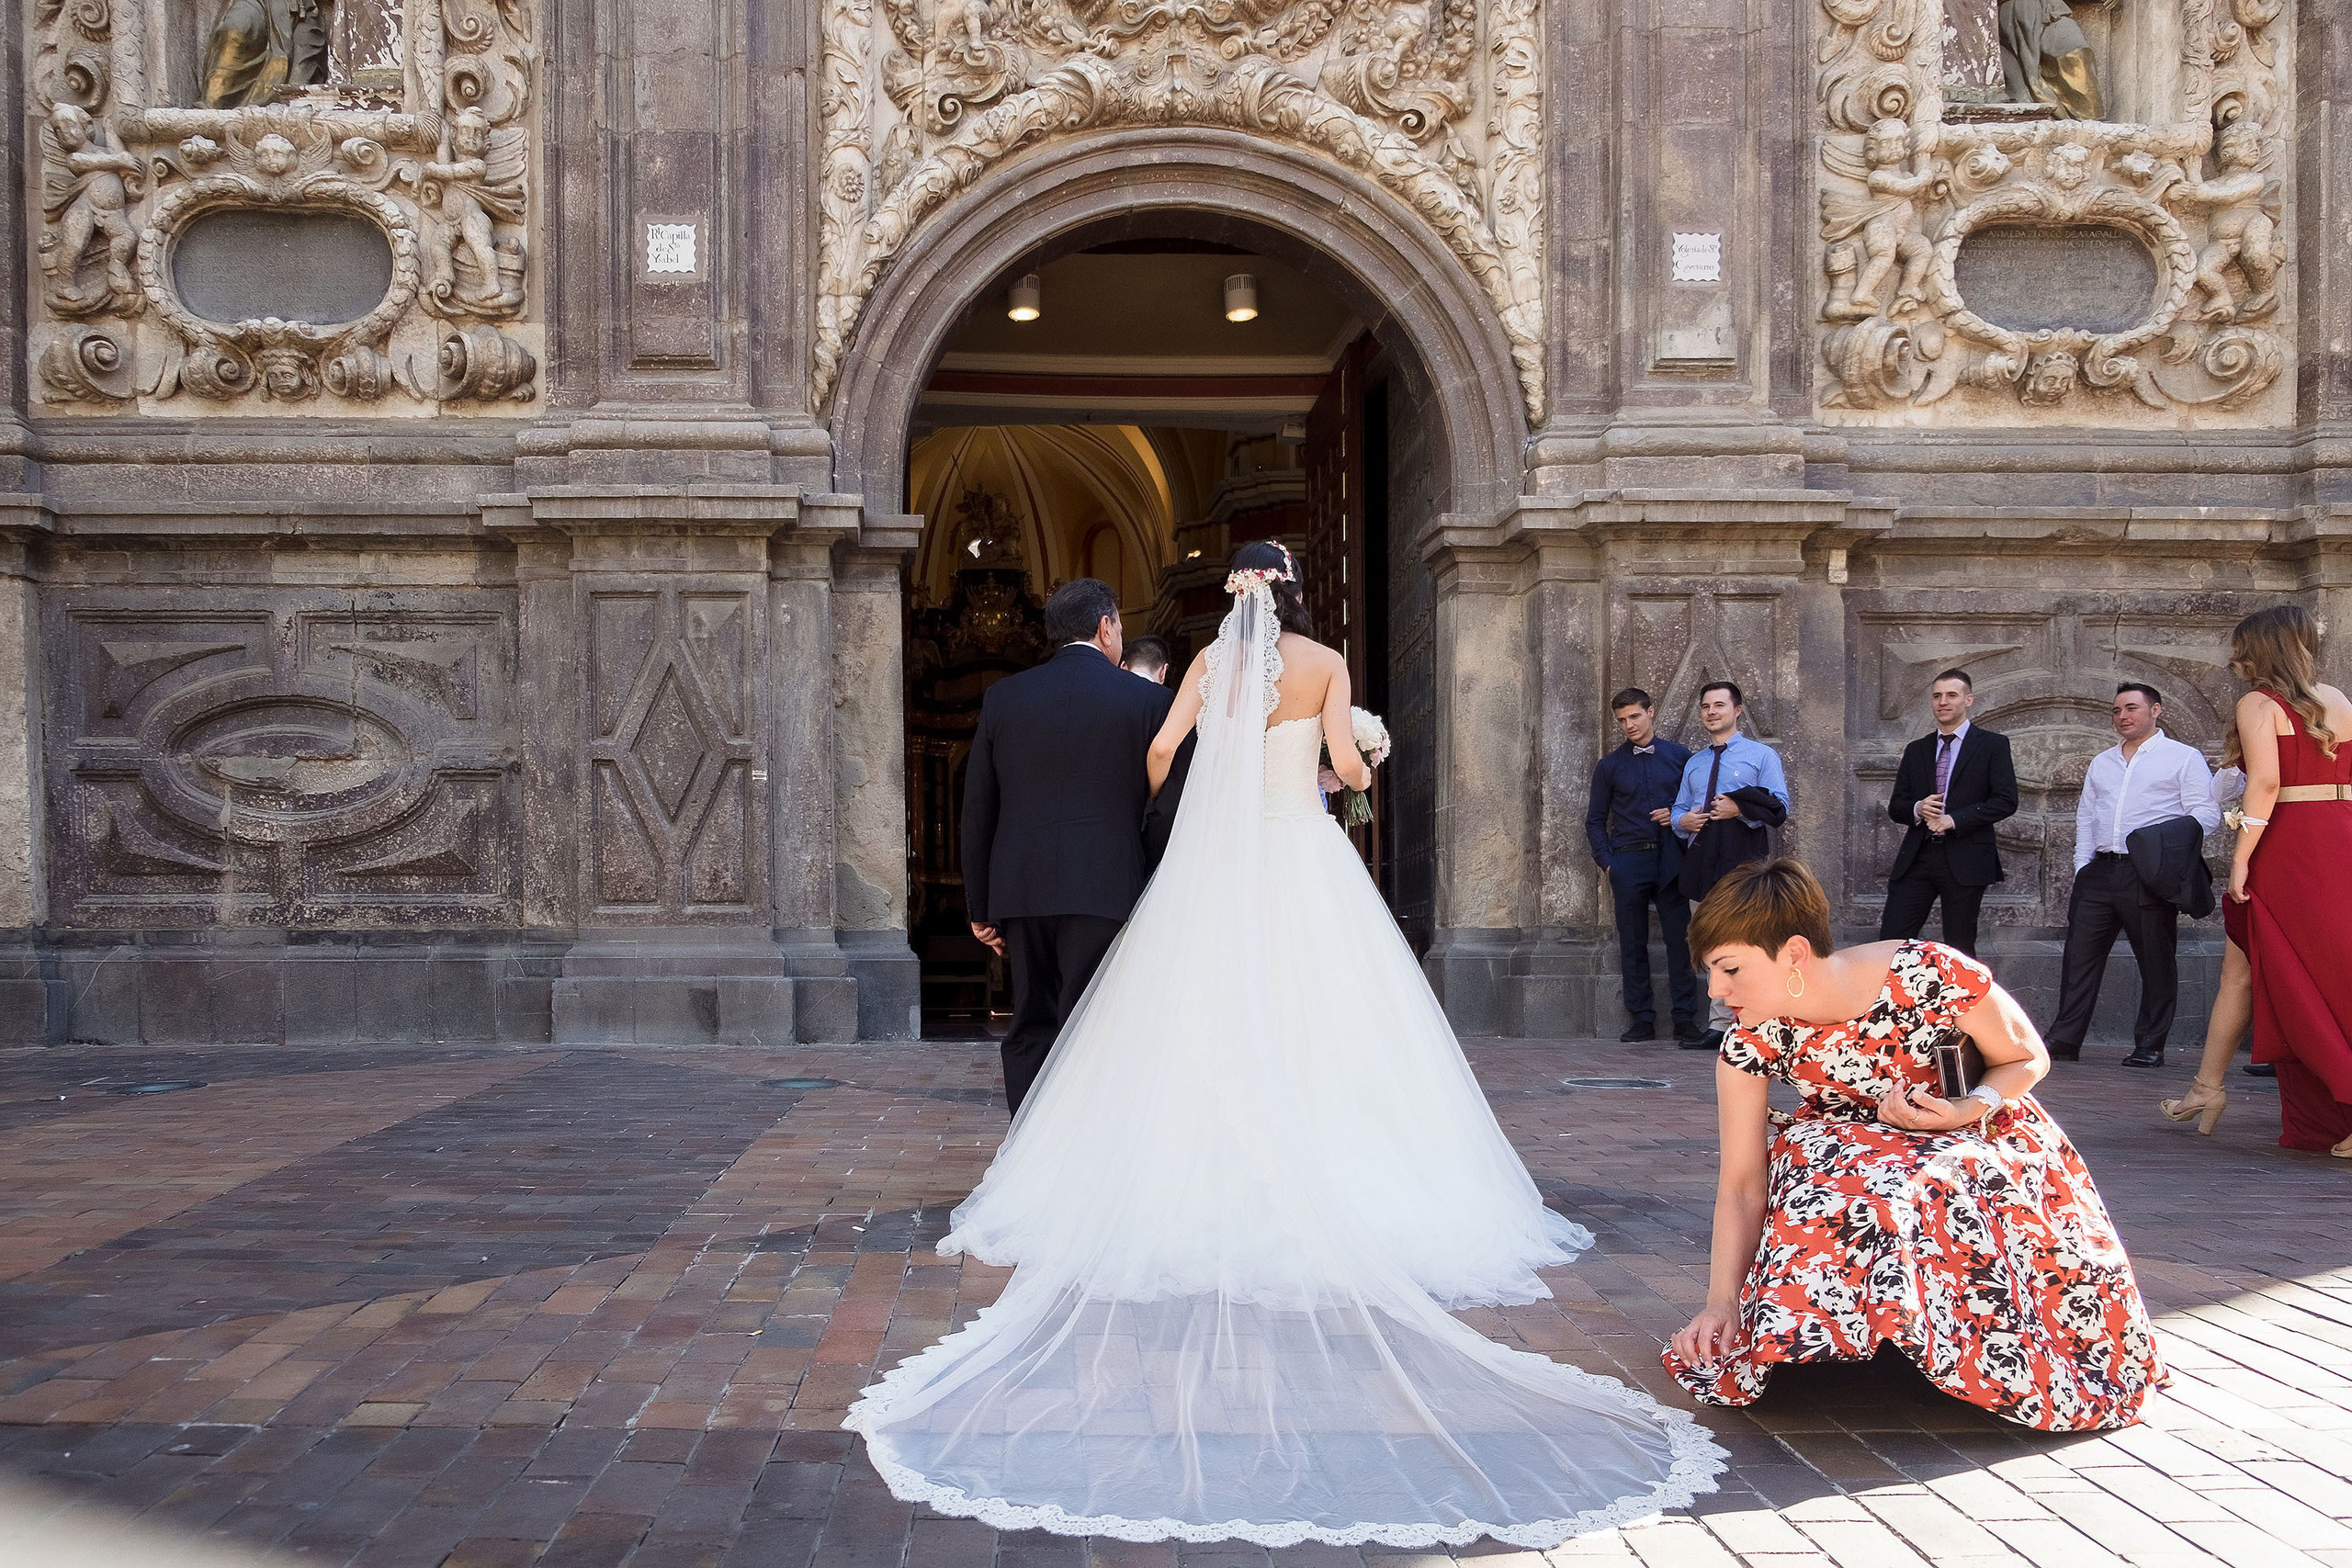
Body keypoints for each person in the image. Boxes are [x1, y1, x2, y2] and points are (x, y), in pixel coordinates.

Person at [849, 540, 1724, 1546]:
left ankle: (1153, 1158)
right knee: (1328, 1011)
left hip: (1218, 865)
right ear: (1294, 590)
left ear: (1233, 595)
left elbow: (1158, 755)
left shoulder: (1205, 666)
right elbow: (1347, 768)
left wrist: (1205, 801)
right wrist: (1353, 757)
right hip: (1299, 851)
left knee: (1181, 1010)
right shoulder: (1320, 663)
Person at [1664, 858, 2160, 1433]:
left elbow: (2027, 1058)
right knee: (1839, 1180)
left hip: (1969, 1126)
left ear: (1794, 953)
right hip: (1840, 1148)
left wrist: (1963, 1108)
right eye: (1709, 972)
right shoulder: (1750, 1041)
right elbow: (1743, 1183)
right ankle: (1863, 1348)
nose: (1717, 992)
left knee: (1947, 1179)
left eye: (1729, 969)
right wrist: (1721, 1301)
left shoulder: (1927, 972)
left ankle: (1981, 1357)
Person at [961, 579, 1171, 1115]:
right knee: (1097, 1023)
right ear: (1106, 628)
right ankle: (1086, 1153)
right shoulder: (1149, 702)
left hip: (1022, 886)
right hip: (1108, 886)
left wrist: (981, 906)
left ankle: (1026, 1152)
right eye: (1120, 624)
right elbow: (1166, 810)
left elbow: (979, 808)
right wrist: (1145, 875)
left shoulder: (1003, 698)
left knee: (1031, 1020)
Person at [2164, 607, 2352, 1154]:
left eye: (2242, 647)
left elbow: (2266, 782)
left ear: (2262, 650)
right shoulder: (2338, 698)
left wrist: (2241, 857)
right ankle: (2206, 1087)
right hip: (2338, 836)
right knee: (2242, 966)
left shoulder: (2258, 703)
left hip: (2291, 845)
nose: (2235, 659)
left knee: (2320, 974)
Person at [2045, 683, 2221, 1067]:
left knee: (2156, 961)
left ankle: (2150, 1045)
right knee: (2079, 959)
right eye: (2116, 710)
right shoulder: (2102, 762)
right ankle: (2064, 1039)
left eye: (2131, 708)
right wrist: (2081, 867)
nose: (2122, 716)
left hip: (2148, 875)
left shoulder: (2183, 758)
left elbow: (2205, 815)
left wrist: (2163, 854)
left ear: (2156, 710)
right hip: (2099, 872)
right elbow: (2087, 817)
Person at [1673, 682, 1789, 1050]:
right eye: (1706, 706)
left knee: (1749, 940)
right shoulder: (1694, 762)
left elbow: (1780, 806)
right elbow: (1678, 808)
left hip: (1743, 860)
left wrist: (1740, 808)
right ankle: (1720, 1025)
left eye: (1719, 705)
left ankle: (1755, 1023)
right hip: (1701, 860)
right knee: (1709, 942)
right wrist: (1683, 822)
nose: (1711, 712)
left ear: (1737, 710)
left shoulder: (1761, 756)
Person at [1585, 688, 1698, 1043]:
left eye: (1634, 716)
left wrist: (1676, 815)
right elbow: (1594, 820)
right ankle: (1642, 1019)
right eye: (1622, 720)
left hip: (1671, 857)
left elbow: (1698, 803)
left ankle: (1684, 1019)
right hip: (1627, 859)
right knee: (1632, 942)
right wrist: (1608, 863)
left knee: (1681, 940)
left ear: (1651, 711)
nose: (1629, 725)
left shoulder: (1682, 757)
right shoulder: (1609, 766)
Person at [1880, 668, 2018, 957]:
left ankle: (1961, 1003)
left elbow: (2006, 800)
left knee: (1959, 946)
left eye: (1951, 695)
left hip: (1966, 858)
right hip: (1918, 856)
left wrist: (1954, 819)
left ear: (1968, 700)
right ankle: (1891, 1001)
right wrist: (1918, 808)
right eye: (1937, 696)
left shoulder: (1992, 745)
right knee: (1891, 941)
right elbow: (1897, 806)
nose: (1943, 702)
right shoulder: (1917, 749)